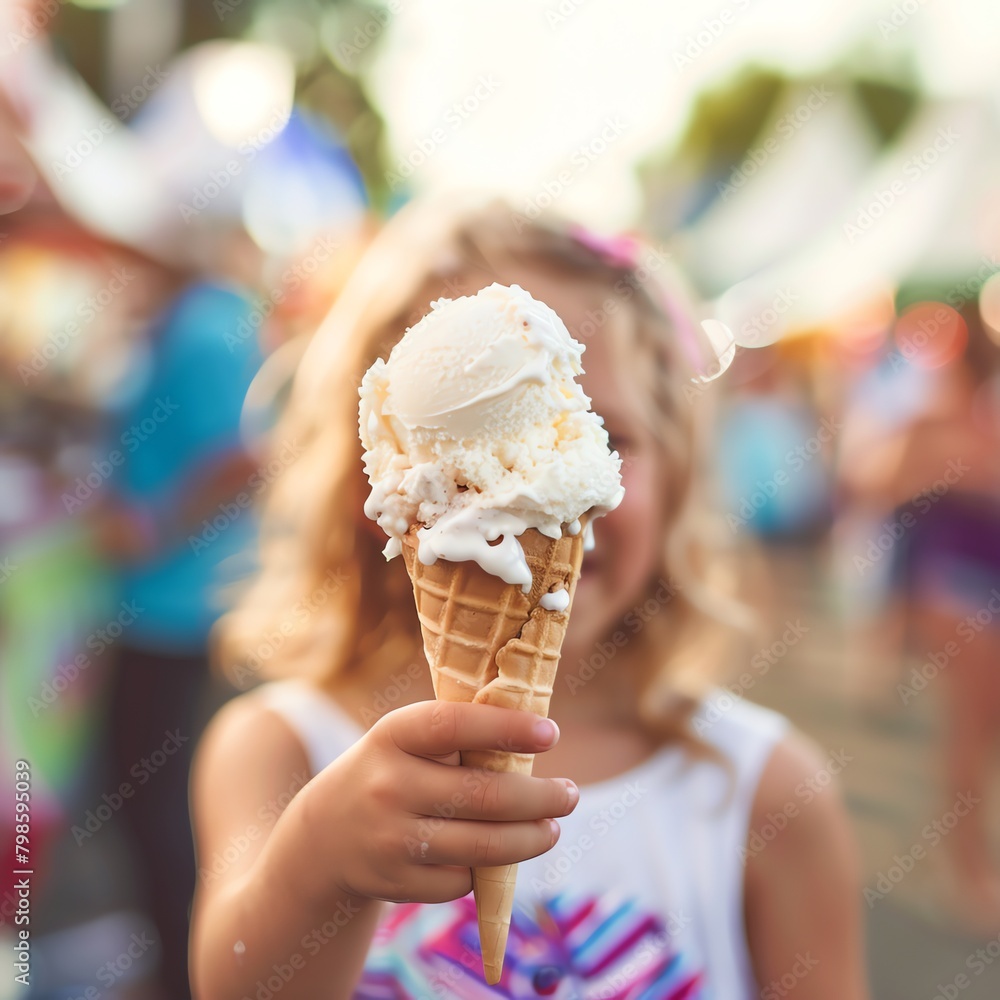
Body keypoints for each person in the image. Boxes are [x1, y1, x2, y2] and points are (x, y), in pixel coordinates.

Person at [189, 199, 870, 999]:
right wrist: (315, 869)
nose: (541, 503)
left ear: (679, 477)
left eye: (608, 438)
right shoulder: (280, 750)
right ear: (369, 480)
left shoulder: (768, 792)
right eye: (471, 457)